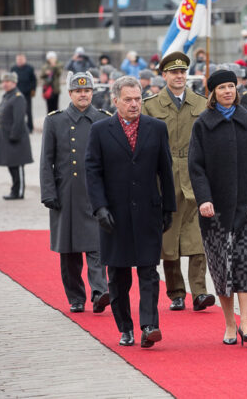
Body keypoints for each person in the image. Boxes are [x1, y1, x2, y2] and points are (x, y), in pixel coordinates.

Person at [85, 75, 175, 348]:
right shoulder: (100, 131)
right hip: (115, 216)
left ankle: (149, 326)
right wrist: (99, 207)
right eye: (128, 100)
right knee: (119, 277)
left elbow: (165, 170)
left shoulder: (156, 128)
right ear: (115, 101)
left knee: (149, 272)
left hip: (148, 212)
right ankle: (125, 328)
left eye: (138, 99)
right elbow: (92, 172)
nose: (134, 104)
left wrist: (169, 206)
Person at [188, 69, 247, 345]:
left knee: (246, 264)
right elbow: (196, 167)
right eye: (222, 87)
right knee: (221, 268)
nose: (228, 91)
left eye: (231, 87)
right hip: (216, 210)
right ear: (212, 92)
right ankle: (229, 323)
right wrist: (204, 199)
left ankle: (246, 323)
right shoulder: (203, 124)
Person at [143, 52, 215, 313]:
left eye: (183, 72)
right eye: (173, 72)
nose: (179, 76)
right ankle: (176, 292)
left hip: (195, 175)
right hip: (165, 176)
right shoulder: (150, 105)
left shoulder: (201, 103)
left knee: (198, 238)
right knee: (169, 240)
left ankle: (200, 292)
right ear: (164, 76)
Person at [40, 72, 111, 313]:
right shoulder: (55, 121)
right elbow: (46, 161)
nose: (83, 94)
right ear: (70, 94)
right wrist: (49, 192)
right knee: (69, 251)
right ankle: (76, 297)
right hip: (65, 194)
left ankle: (100, 291)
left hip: (95, 194)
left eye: (87, 90)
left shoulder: (103, 119)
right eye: (78, 91)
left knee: (97, 245)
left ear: (92, 93)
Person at [0, 72, 33, 199]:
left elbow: (19, 119)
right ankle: (14, 191)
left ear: (14, 83)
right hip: (7, 138)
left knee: (18, 165)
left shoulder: (18, 97)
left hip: (16, 138)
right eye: (3, 82)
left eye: (7, 82)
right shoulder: (7, 96)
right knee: (11, 165)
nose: (4, 84)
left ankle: (19, 192)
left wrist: (14, 136)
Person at [11, 54, 36, 133]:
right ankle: (19, 127)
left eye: (21, 59)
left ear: (24, 60)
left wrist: (33, 90)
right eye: (18, 59)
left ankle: (30, 128)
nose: (20, 61)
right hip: (16, 93)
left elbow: (34, 80)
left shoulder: (30, 68)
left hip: (27, 93)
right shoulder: (13, 69)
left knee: (28, 111)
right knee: (17, 111)